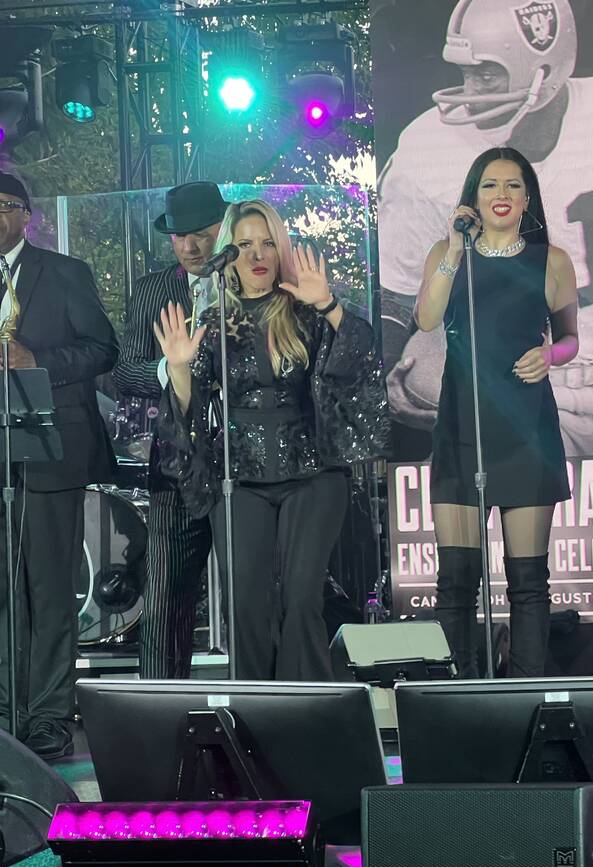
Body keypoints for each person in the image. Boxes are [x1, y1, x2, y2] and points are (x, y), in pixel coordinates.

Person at [377, 0, 593, 455]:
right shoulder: (429, 149)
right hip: (496, 381)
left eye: (486, 73)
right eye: (464, 73)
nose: (469, 89)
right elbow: (399, 293)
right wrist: (382, 370)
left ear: (543, 68)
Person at [154, 199, 388, 681]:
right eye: (244, 244)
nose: (257, 253)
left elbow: (361, 359)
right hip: (238, 477)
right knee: (246, 607)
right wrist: (177, 369)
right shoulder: (215, 320)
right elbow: (188, 407)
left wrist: (329, 304)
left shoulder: (306, 309)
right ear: (228, 254)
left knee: (301, 599)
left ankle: (307, 722)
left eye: (266, 242)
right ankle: (255, 723)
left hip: (312, 472)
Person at [416, 147, 578, 678]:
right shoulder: (450, 252)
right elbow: (426, 318)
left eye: (512, 186)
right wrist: (454, 251)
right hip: (463, 424)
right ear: (473, 197)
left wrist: (549, 354)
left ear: (527, 197)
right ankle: (451, 695)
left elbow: (571, 338)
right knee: (456, 580)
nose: (501, 196)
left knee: (528, 580)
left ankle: (525, 694)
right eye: (489, 186)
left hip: (526, 428)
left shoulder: (551, 260)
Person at [0, 171, 117, 758]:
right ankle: (4, 714)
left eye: (3, 207)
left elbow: (104, 349)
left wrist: (35, 358)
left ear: (26, 214)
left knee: (48, 590)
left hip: (49, 450)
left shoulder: (66, 274)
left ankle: (48, 712)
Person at [114, 182, 226, 679]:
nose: (191, 247)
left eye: (202, 234)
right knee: (163, 600)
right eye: (180, 237)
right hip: (175, 461)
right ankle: (159, 715)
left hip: (246, 458)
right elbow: (125, 372)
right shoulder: (153, 289)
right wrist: (171, 368)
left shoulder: (250, 280)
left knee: (257, 590)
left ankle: (268, 709)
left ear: (224, 229)